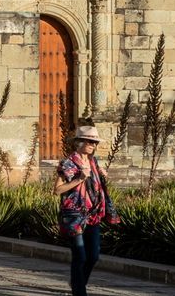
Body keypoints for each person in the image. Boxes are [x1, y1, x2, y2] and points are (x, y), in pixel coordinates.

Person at [55, 123, 115, 295]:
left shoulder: (94, 162)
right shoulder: (67, 164)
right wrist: (79, 179)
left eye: (94, 142)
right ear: (78, 143)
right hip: (74, 216)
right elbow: (57, 190)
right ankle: (79, 291)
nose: (92, 145)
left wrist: (102, 176)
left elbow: (97, 188)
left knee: (93, 256)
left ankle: (77, 282)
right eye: (89, 141)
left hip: (93, 215)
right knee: (80, 256)